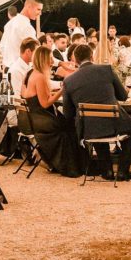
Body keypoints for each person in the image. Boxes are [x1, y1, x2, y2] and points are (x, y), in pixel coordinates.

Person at [61, 44, 131, 181]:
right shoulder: (106, 69)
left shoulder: (69, 81)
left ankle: (106, 170)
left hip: (88, 128)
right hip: (114, 124)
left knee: (96, 124)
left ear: (75, 60)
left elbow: (68, 113)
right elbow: (123, 96)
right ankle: (122, 171)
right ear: (92, 56)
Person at [21, 46, 84, 177]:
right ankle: (72, 164)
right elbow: (45, 103)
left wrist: (52, 93)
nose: (52, 61)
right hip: (44, 120)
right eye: (50, 58)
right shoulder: (40, 77)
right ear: (44, 59)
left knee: (69, 122)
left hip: (33, 118)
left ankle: (56, 159)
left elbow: (27, 94)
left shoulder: (29, 74)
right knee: (73, 124)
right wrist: (63, 89)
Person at [1, 0, 43, 65]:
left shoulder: (9, 23)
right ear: (29, 6)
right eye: (38, 9)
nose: (40, 13)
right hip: (20, 68)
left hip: (8, 68)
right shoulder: (26, 27)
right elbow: (36, 52)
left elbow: (2, 47)